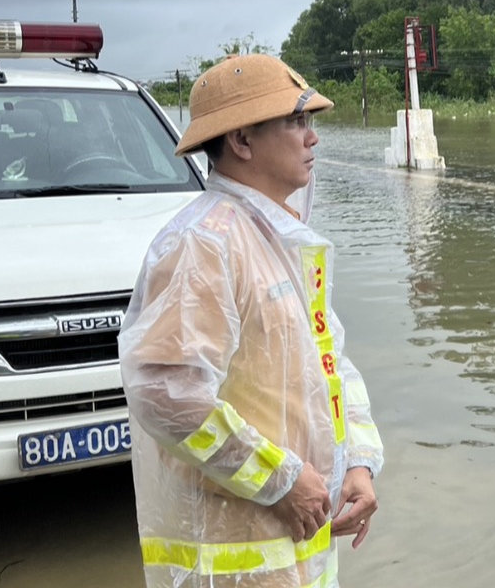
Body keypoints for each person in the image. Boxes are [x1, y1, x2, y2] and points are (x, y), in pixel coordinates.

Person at [119, 53, 384, 588]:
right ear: (241, 140)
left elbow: (329, 363)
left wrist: (357, 462)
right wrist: (280, 481)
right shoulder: (203, 243)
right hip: (236, 558)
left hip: (299, 551)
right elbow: (165, 393)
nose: (312, 138)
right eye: (295, 122)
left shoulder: (280, 237)